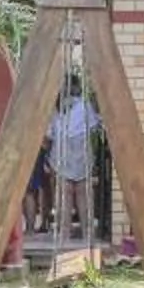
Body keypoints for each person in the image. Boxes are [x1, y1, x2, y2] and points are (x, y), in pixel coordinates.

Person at [49, 74, 101, 243]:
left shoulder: (55, 108)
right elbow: (93, 127)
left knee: (64, 197)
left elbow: (49, 134)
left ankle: (64, 235)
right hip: (81, 153)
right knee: (83, 196)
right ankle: (87, 234)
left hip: (62, 154)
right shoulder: (85, 106)